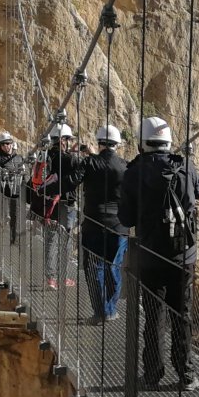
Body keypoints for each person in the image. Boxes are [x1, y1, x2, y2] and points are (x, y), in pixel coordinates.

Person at [120, 116, 199, 391]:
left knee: (154, 317)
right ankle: (186, 374)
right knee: (182, 315)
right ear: (169, 142)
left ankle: (153, 374)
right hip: (184, 257)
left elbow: (124, 219)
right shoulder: (186, 166)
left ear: (143, 142)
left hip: (150, 256)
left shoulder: (134, 172)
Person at [81, 124, 127, 322]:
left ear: (99, 143)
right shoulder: (126, 166)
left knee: (94, 268)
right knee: (113, 267)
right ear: (117, 145)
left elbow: (73, 178)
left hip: (94, 224)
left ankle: (101, 312)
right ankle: (111, 308)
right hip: (119, 226)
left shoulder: (90, 163)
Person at [31, 124, 87, 288]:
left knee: (50, 240)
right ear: (63, 140)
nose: (69, 143)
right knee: (66, 242)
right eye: (68, 140)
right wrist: (86, 152)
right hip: (65, 204)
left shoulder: (45, 156)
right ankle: (62, 277)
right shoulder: (69, 159)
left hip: (46, 203)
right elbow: (85, 165)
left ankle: (50, 278)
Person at [0, 133, 24, 244]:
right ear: (0, 146)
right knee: (0, 214)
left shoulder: (19, 158)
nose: (7, 146)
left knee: (15, 215)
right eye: (3, 144)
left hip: (16, 191)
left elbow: (26, 174)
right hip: (2, 191)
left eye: (8, 143)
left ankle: (13, 239)